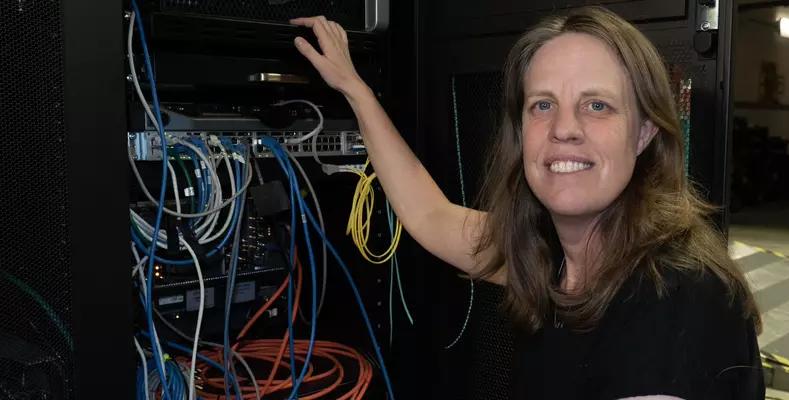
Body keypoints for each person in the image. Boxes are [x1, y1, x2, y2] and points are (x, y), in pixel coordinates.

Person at [289, 6, 764, 400]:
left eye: (597, 105)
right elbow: (429, 214)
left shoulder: (675, 298)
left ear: (644, 134)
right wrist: (354, 88)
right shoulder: (555, 257)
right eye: (543, 105)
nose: (564, 128)